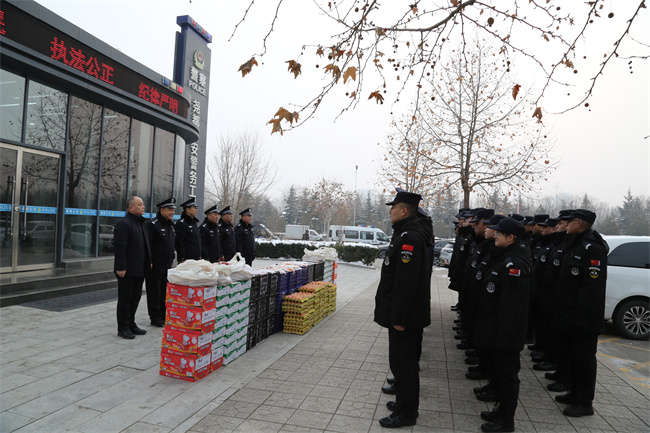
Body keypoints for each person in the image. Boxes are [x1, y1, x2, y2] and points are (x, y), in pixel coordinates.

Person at [374, 189, 433, 428]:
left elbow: (406, 283)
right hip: (407, 315)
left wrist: (399, 318)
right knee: (403, 363)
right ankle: (403, 403)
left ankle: (406, 412)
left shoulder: (409, 238)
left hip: (405, 318)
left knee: (403, 365)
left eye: (394, 207)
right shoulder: (406, 233)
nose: (390, 211)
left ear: (404, 211)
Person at [473, 217, 532, 433]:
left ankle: (506, 420)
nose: (495, 235)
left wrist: (504, 337)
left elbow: (512, 307)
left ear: (511, 237)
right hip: (496, 331)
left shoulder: (514, 264)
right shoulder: (504, 257)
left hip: (506, 334)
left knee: (507, 378)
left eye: (499, 233)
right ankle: (500, 411)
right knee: (500, 375)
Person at [552, 209, 608, 417]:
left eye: (570, 222)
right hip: (568, 315)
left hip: (583, 320)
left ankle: (584, 402)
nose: (565, 225)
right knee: (572, 357)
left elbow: (591, 289)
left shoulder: (593, 249)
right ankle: (575, 393)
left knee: (584, 360)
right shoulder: (575, 244)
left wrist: (580, 318)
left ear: (579, 224)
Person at [114, 196, 151, 339]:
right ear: (131, 208)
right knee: (125, 299)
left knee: (135, 298)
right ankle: (123, 327)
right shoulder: (124, 224)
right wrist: (121, 267)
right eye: (140, 204)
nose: (143, 207)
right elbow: (120, 247)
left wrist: (149, 262)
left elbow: (146, 245)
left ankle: (131, 324)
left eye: (143, 204)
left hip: (139, 268)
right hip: (127, 270)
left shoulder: (142, 223)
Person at [145, 197, 176, 327]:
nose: (172, 212)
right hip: (155, 265)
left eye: (173, 210)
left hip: (167, 265)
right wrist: (150, 261)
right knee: (154, 291)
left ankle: (163, 314)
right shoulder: (153, 225)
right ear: (162, 210)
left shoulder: (170, 225)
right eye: (169, 210)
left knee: (164, 291)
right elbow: (148, 245)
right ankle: (155, 317)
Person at [175, 198, 202, 263]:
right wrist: (181, 258)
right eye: (194, 208)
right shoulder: (182, 223)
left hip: (196, 259)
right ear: (188, 210)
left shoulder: (195, 223)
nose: (196, 210)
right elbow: (179, 242)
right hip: (187, 260)